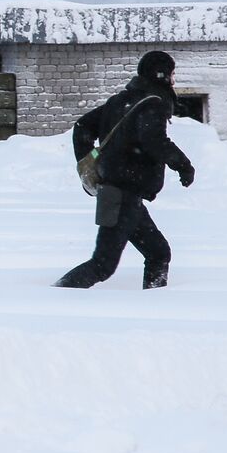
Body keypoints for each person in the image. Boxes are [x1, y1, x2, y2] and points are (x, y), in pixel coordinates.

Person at [55, 51, 195, 291]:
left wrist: (90, 164)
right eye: (171, 74)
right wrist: (183, 165)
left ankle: (154, 303)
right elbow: (153, 140)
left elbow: (82, 127)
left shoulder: (120, 101)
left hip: (122, 194)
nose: (173, 80)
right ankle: (55, 295)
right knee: (103, 264)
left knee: (158, 252)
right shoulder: (152, 103)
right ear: (160, 74)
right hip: (122, 195)